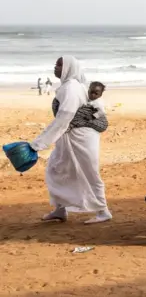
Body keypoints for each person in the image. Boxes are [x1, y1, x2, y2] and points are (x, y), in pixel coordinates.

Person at [30, 56, 112, 224]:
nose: (56, 67)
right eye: (56, 64)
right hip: (68, 138)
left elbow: (64, 117)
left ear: (69, 68)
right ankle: (60, 210)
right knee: (56, 169)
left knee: (89, 172)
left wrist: (39, 144)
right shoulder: (70, 86)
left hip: (81, 138)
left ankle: (103, 211)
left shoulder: (71, 88)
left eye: (60, 65)